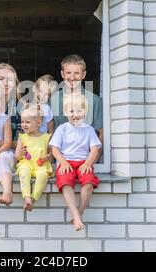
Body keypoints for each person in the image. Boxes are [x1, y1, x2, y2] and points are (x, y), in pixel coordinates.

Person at [49, 94, 102, 231]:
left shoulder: (89, 130)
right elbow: (54, 149)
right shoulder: (62, 129)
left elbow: (94, 150)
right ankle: (75, 215)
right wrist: (63, 162)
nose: (75, 114)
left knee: (89, 183)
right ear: (66, 112)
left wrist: (88, 163)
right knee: (66, 183)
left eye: (79, 111)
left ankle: (80, 212)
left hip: (84, 162)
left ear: (85, 112)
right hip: (67, 162)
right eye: (71, 111)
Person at [50, 54, 103, 157]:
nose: (72, 77)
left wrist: (94, 160)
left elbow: (102, 133)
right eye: (68, 73)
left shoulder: (95, 100)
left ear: (83, 75)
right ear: (62, 74)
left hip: (85, 162)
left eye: (77, 73)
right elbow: (49, 131)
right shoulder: (53, 99)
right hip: (60, 162)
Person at [14, 105, 54, 211]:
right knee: (24, 173)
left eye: (28, 122)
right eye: (22, 122)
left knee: (42, 176)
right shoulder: (22, 137)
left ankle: (33, 199)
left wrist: (47, 157)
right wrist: (21, 153)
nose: (24, 125)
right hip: (26, 163)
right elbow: (17, 156)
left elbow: (52, 155)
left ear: (38, 123)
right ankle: (27, 198)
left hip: (41, 165)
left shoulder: (46, 137)